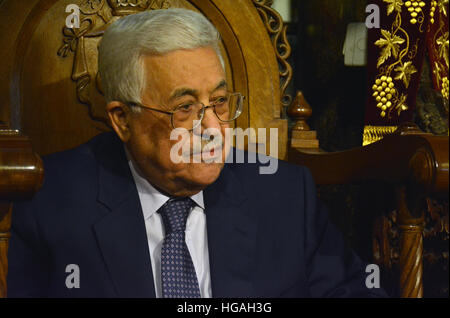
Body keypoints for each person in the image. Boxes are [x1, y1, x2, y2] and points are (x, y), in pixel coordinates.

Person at [7, 8, 387, 298]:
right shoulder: (47, 202)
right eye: (185, 108)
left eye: (220, 102)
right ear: (122, 119)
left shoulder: (285, 196)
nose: (212, 130)